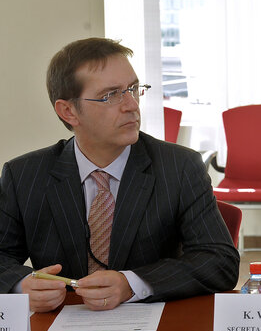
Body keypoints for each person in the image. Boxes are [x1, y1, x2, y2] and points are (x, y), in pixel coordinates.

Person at [0, 38, 240, 312]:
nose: (131, 105)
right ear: (68, 111)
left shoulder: (180, 166)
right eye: (111, 95)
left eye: (133, 89)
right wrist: (22, 284)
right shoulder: (25, 176)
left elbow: (219, 260)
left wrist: (132, 283)